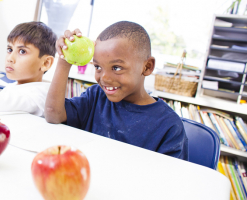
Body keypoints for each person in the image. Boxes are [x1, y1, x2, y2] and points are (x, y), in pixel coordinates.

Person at [45, 21, 188, 160]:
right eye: (98, 67)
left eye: (116, 68)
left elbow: (171, 179)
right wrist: (64, 61)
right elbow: (53, 114)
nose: (105, 78)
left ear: (147, 67)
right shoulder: (96, 96)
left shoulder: (169, 126)